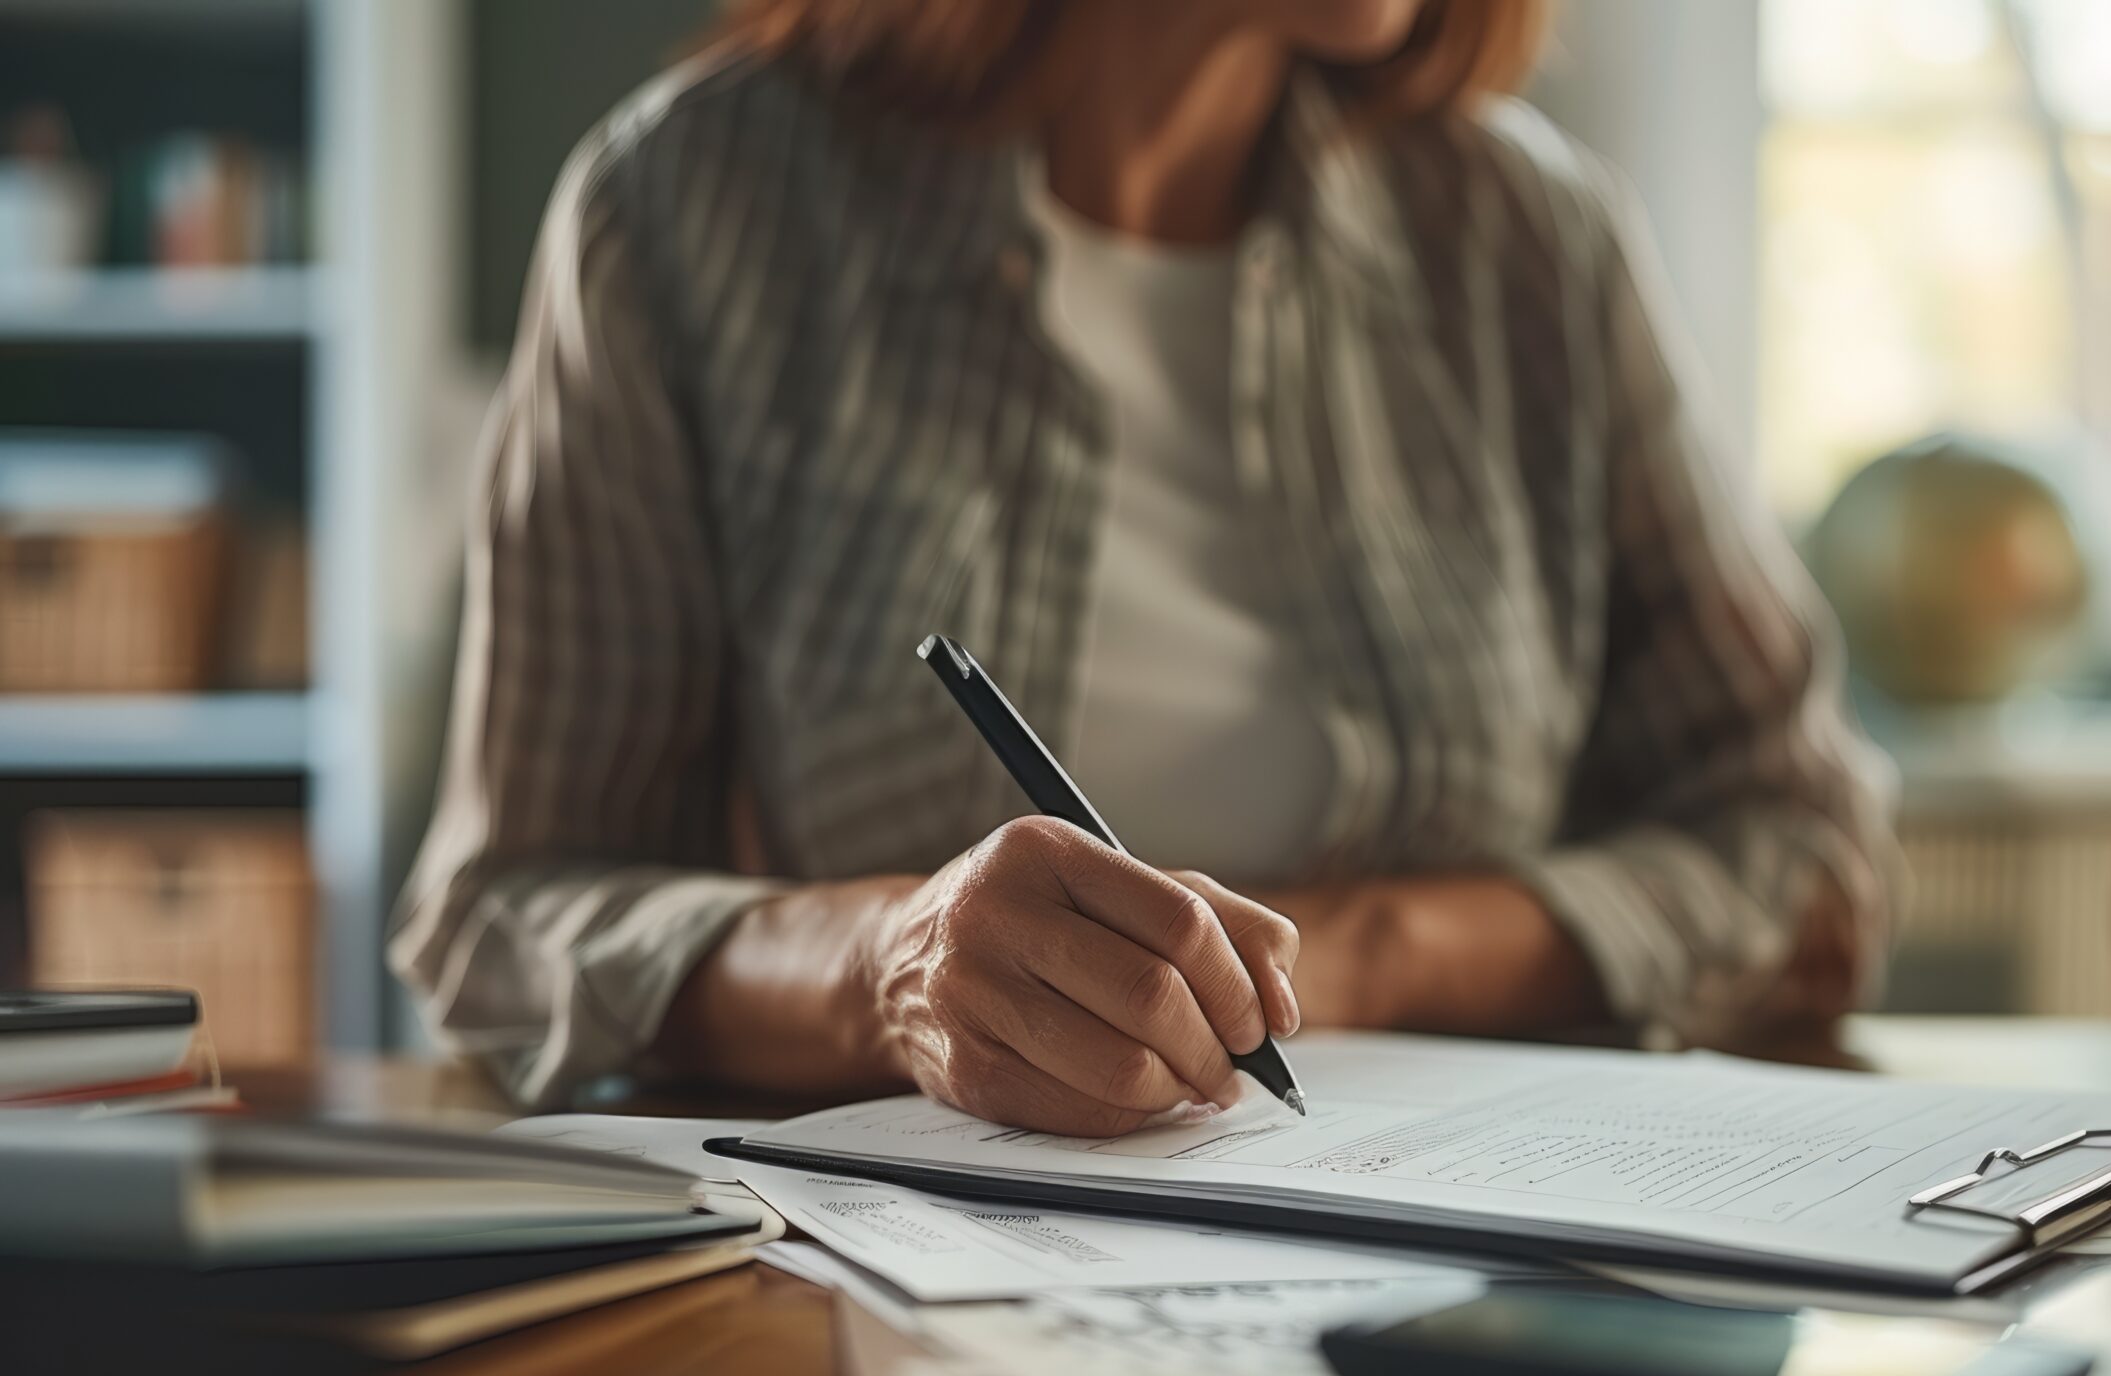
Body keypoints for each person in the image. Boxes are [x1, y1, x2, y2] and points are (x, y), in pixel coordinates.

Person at [391, 0, 1897, 1134]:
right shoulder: (687, 215)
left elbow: (1804, 850)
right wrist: (888, 964)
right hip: (880, 1315)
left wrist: (1353, 956)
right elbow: (504, 913)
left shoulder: (1529, 247)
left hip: (1443, 1257)